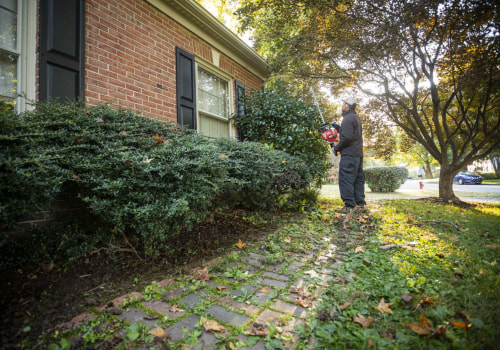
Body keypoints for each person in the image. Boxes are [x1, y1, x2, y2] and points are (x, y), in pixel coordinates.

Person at [333, 96, 366, 213]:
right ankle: (360, 204)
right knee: (357, 179)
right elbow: (350, 133)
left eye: (343, 104)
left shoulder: (347, 118)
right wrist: (338, 128)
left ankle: (349, 206)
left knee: (346, 179)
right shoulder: (356, 118)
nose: (342, 106)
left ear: (347, 105)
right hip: (357, 154)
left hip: (349, 155)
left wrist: (336, 148)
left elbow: (347, 137)